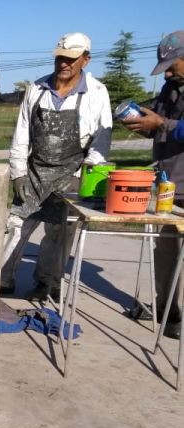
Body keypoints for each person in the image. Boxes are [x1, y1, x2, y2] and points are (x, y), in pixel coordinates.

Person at [1, 32, 113, 301]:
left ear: (85, 60)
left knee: (59, 235)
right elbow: (21, 136)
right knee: (16, 225)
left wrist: (82, 178)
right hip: (35, 173)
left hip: (70, 176)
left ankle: (46, 284)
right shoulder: (36, 90)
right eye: (60, 58)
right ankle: (3, 278)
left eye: (71, 59)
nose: (63, 63)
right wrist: (18, 174)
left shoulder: (96, 93)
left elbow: (101, 144)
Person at [123, 31, 184, 339]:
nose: (169, 72)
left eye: (174, 65)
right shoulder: (170, 87)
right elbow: (160, 125)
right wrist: (143, 124)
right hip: (170, 182)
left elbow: (170, 126)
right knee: (167, 250)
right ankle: (169, 312)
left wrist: (162, 125)